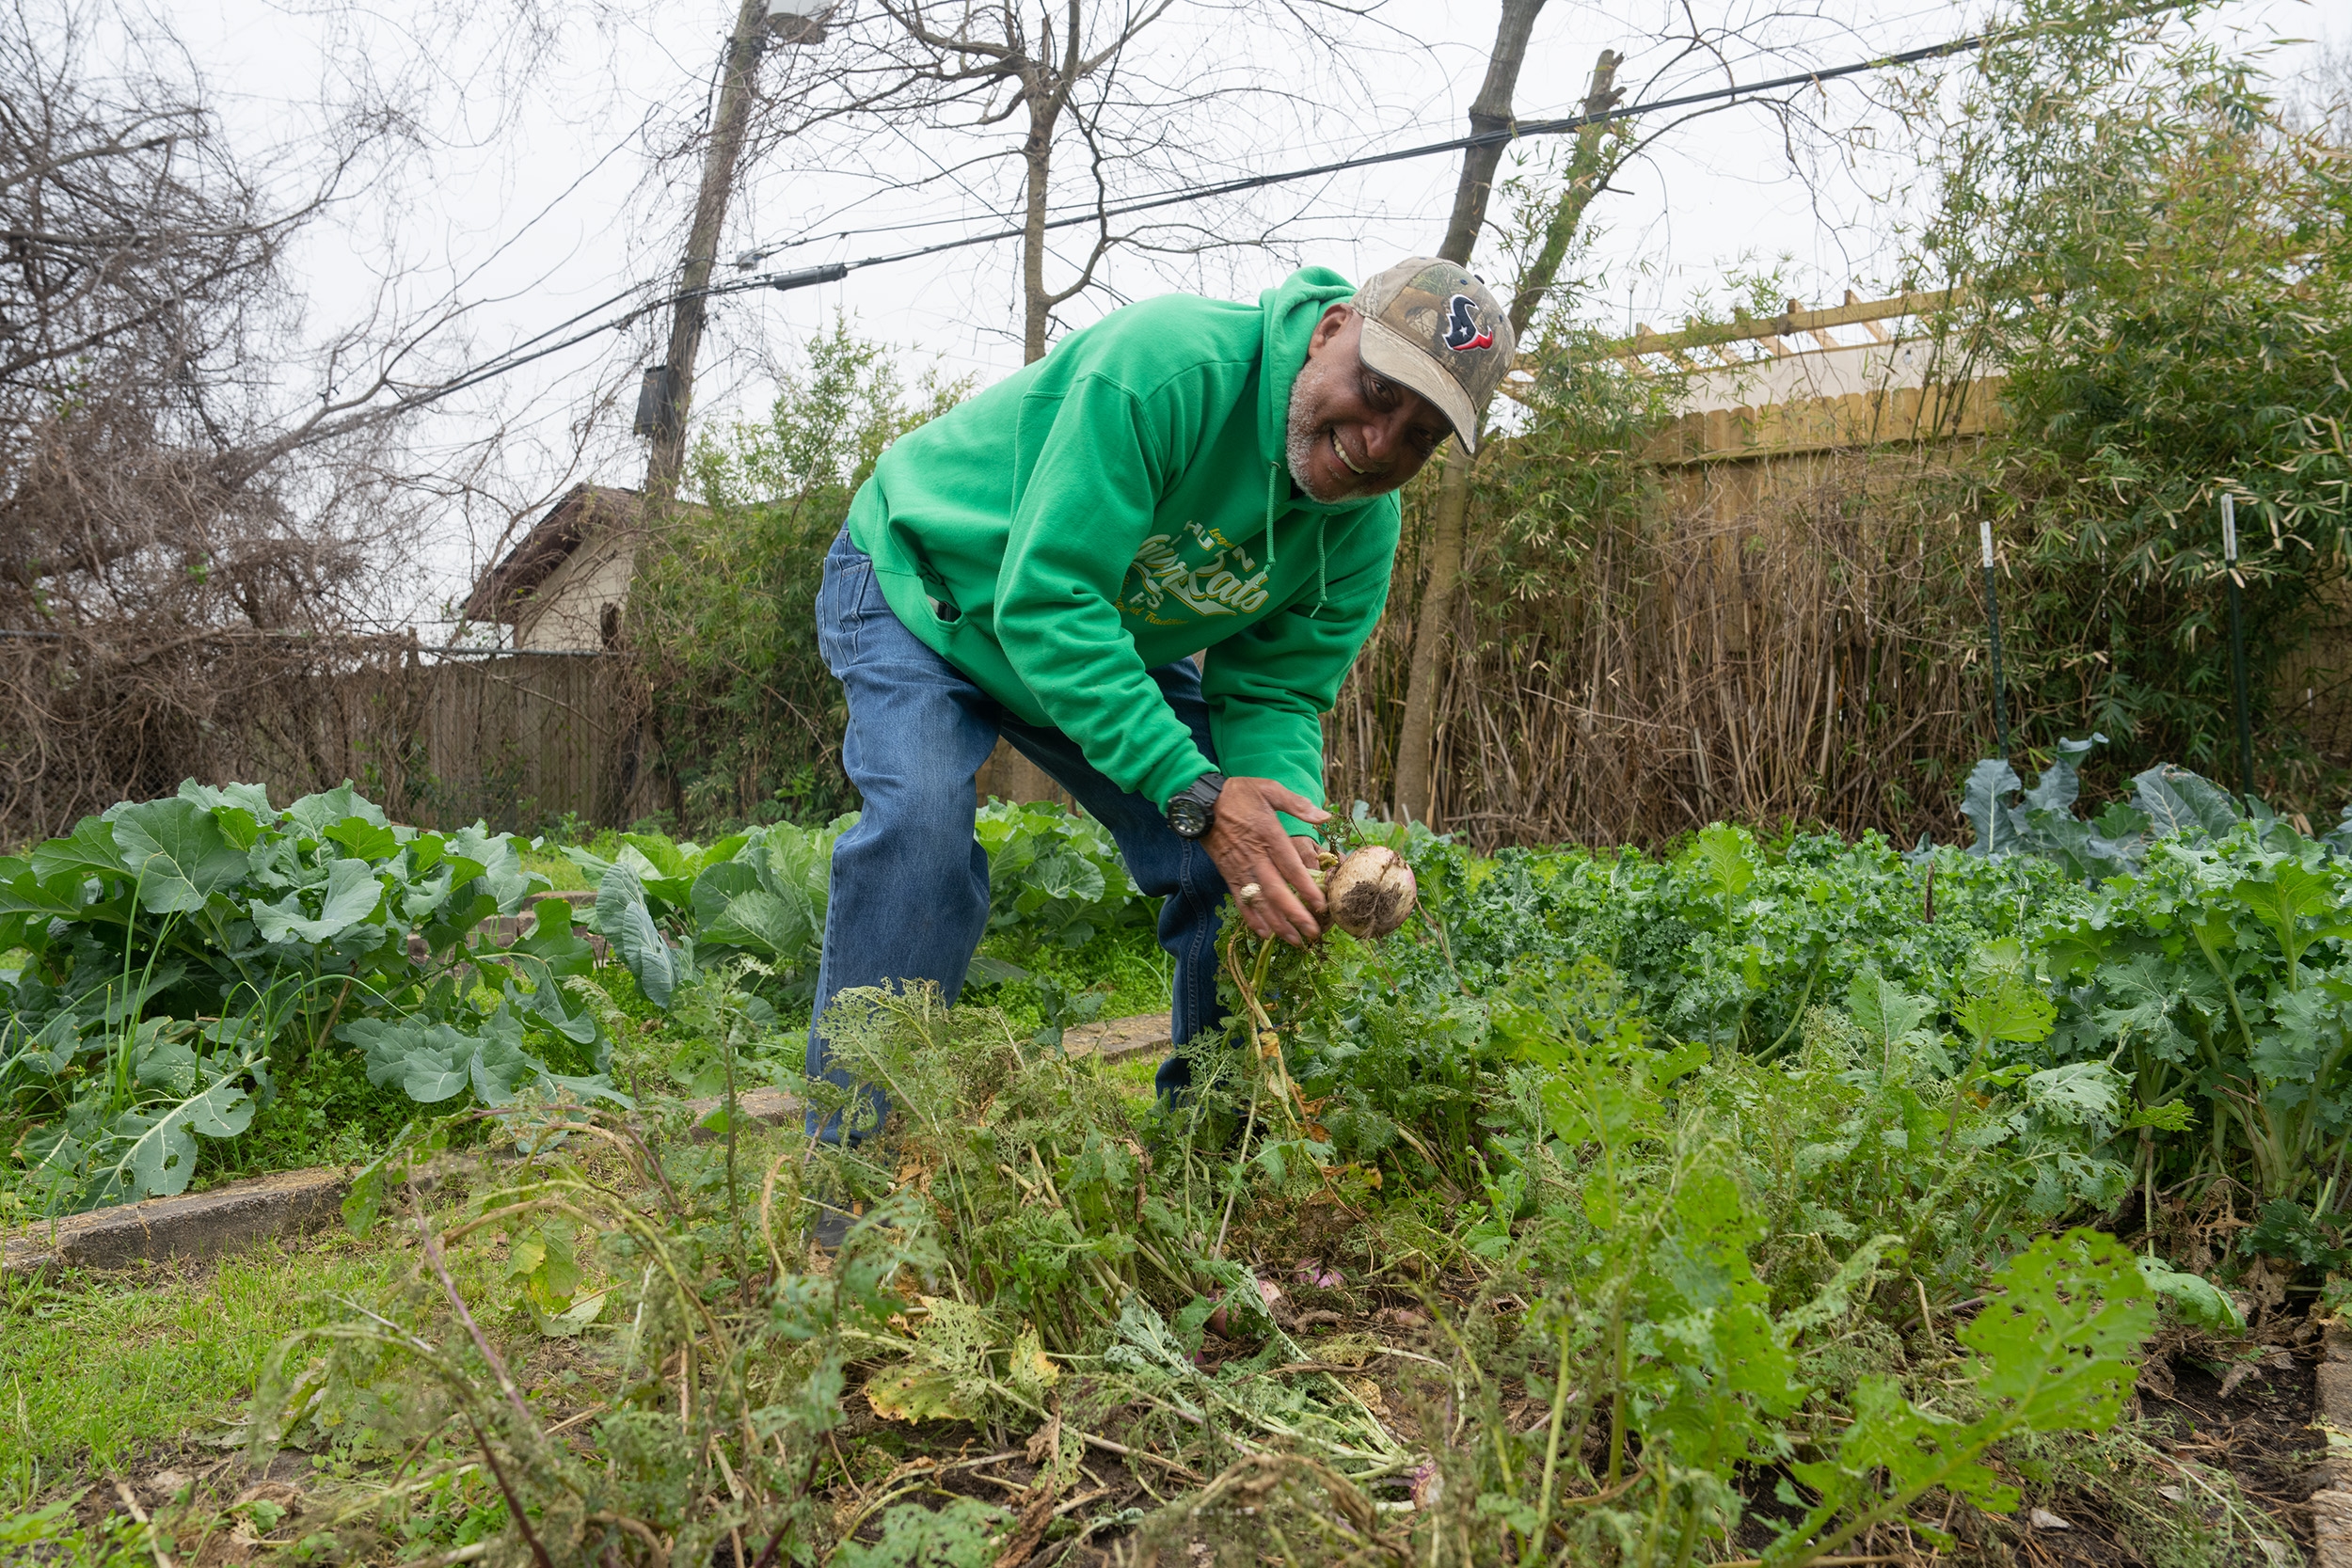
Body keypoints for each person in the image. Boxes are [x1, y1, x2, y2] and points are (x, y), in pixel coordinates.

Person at [805, 258, 1514, 1137]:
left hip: (1105, 633)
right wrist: (1197, 791)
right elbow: (1048, 598)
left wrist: (1287, 850)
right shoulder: (1167, 366)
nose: (1378, 444)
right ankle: (850, 1181)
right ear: (1331, 329)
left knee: (1244, 868)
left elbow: (1275, 690)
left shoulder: (1363, 527)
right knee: (920, 835)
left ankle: (1210, 1155)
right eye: (1375, 389)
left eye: (1419, 436)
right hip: (929, 585)